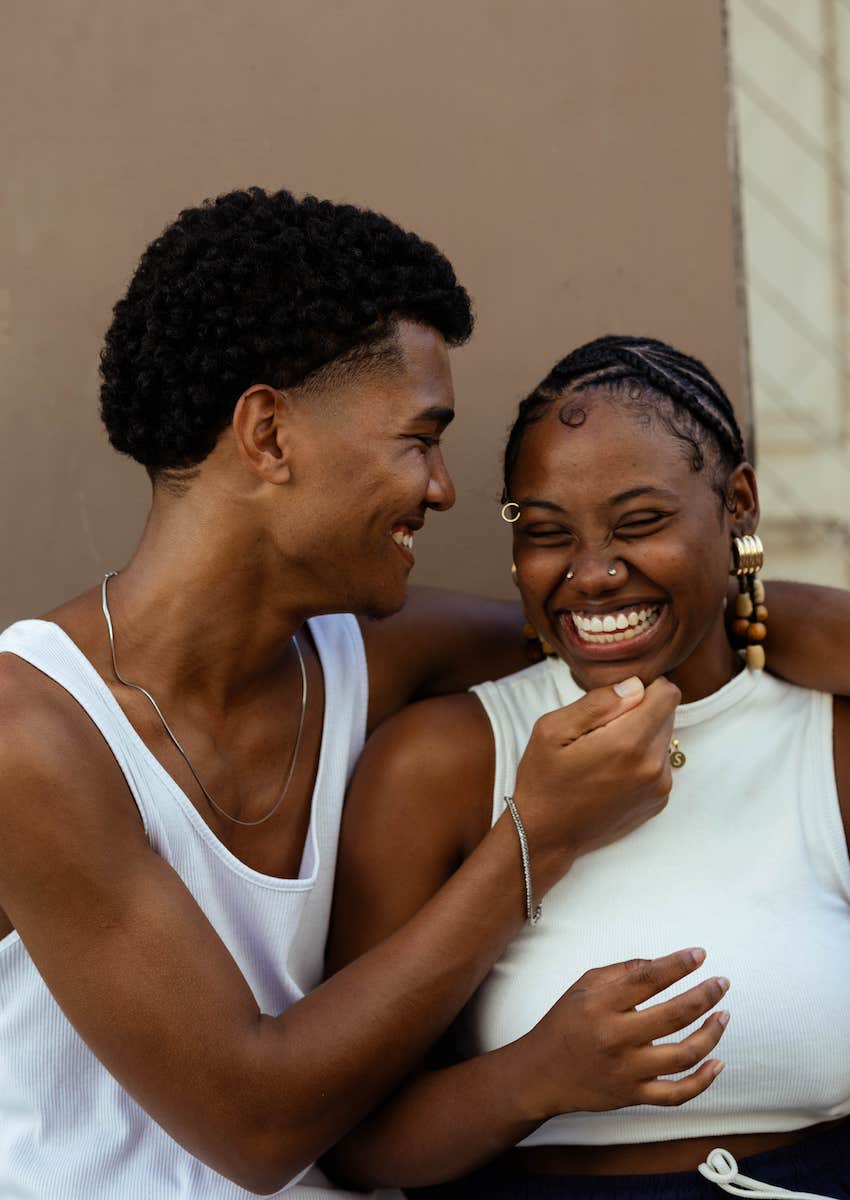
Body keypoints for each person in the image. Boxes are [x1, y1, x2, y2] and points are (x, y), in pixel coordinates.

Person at [0, 194, 738, 1200]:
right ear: (268, 434)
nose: (441, 489)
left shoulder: (379, 657)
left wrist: (751, 586)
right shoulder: (32, 735)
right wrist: (537, 841)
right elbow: (256, 1130)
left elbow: (666, 614)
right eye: (419, 437)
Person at [325, 335, 850, 1199]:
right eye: (545, 534)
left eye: (640, 522)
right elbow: (353, 1143)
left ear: (738, 507)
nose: (593, 574)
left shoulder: (823, 742)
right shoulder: (441, 764)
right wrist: (535, 1076)